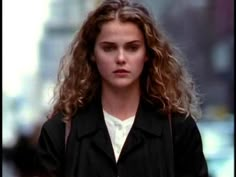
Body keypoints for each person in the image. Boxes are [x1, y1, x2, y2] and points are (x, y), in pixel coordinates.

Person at [35, 0, 209, 177]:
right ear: (92, 54)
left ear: (147, 53)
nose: (120, 58)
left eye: (132, 48)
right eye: (109, 48)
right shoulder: (59, 132)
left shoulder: (179, 130)